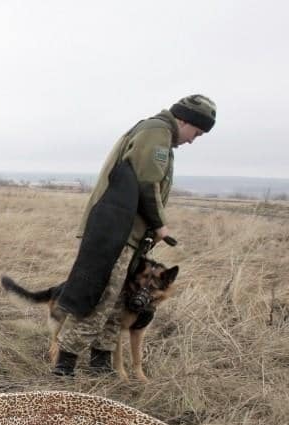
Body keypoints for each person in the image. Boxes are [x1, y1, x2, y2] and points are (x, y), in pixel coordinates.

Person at [53, 95, 217, 376]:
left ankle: (100, 363)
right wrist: (160, 224)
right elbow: (147, 183)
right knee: (100, 295)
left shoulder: (160, 134)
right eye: (196, 133)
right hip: (115, 233)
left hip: (127, 235)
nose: (193, 140)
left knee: (118, 300)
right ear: (184, 120)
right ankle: (64, 365)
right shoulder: (157, 132)